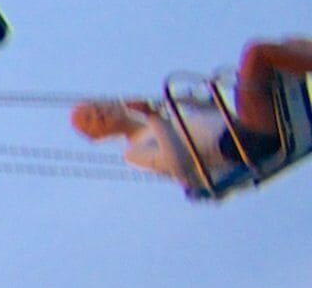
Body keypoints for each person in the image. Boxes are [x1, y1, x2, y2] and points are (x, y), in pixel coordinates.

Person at [70, 37, 312, 190]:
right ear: (98, 136)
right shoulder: (135, 151)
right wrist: (155, 118)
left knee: (290, 47)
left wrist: (196, 103)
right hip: (245, 144)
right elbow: (179, 165)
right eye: (90, 120)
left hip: (241, 127)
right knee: (257, 54)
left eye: (97, 107)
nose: (99, 114)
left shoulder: (171, 116)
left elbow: (219, 118)